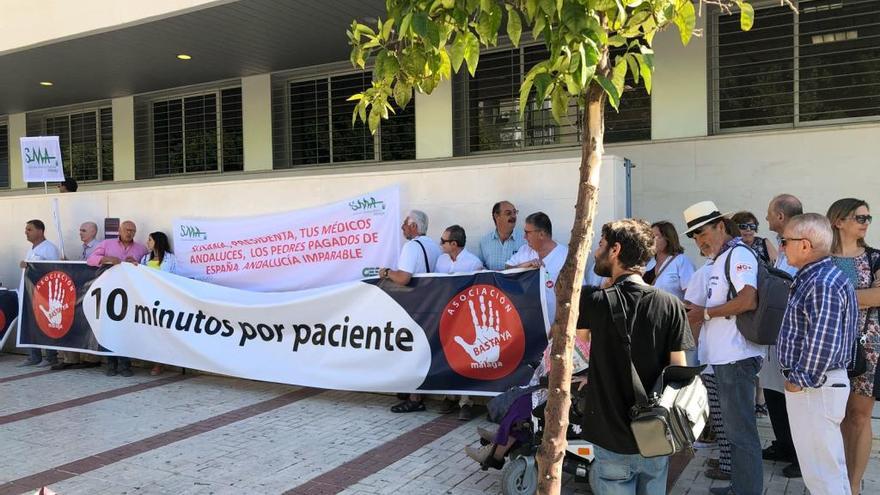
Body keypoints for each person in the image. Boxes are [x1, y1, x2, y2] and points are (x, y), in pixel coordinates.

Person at [577, 219, 692, 495]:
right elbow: (679, 372)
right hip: (656, 435)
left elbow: (580, 344)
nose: (596, 252)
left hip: (611, 433)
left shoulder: (594, 301)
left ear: (615, 250)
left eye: (602, 245)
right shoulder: (671, 305)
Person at [682, 201, 763, 495]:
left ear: (720, 226)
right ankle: (739, 487)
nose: (699, 241)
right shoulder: (721, 258)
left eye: (703, 232)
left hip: (738, 358)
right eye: (693, 235)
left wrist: (704, 313)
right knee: (733, 433)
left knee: (742, 434)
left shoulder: (739, 254)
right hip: (725, 359)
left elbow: (748, 300)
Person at [778, 213, 858, 495]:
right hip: (819, 385)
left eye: (784, 240)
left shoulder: (821, 281)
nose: (781, 246)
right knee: (826, 471)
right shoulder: (819, 276)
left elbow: (822, 338)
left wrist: (800, 378)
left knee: (823, 474)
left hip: (816, 386)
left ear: (804, 244)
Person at [828, 198, 880, 495]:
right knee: (831, 417)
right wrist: (862, 294)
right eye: (860, 217)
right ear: (838, 221)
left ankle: (854, 486)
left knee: (859, 417)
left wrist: (837, 296)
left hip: (867, 346)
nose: (866, 223)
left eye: (868, 218)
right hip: (827, 346)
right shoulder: (821, 257)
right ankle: (831, 481)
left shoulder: (875, 257)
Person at [379, 210, 441, 413]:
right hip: (433, 302)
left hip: (416, 304)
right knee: (423, 350)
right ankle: (411, 390)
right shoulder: (433, 246)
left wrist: (387, 272)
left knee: (413, 350)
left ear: (414, 226)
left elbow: (404, 278)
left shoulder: (411, 246)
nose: (402, 227)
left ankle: (415, 398)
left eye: (405, 223)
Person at [760, 194, 804, 478]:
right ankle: (784, 445)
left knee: (792, 401)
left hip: (793, 336)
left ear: (779, 216)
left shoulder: (801, 244)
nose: (765, 220)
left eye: (768, 214)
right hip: (774, 334)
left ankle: (800, 456)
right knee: (773, 393)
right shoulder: (781, 244)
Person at [684, 245, 732, 481]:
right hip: (723, 354)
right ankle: (728, 459)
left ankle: (728, 464)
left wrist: (687, 347)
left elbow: (691, 312)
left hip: (713, 354)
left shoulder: (706, 272)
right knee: (725, 413)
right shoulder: (721, 268)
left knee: (722, 413)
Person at [87, 220, 149, 377]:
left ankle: (124, 364)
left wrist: (136, 264)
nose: (130, 233)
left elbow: (146, 269)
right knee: (109, 329)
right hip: (109, 293)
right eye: (127, 230)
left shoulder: (141, 248)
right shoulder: (107, 244)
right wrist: (108, 259)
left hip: (130, 295)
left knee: (126, 330)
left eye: (133, 231)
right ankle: (111, 364)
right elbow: (91, 259)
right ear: (120, 230)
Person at [435, 224, 484, 420]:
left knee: (466, 358)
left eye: (443, 241)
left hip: (465, 319)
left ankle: (465, 401)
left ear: (454, 244)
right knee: (447, 355)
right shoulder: (440, 261)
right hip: (445, 316)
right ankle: (449, 396)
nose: (440, 244)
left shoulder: (473, 263)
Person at [53, 221, 103, 370]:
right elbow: (81, 267)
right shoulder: (85, 248)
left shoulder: (98, 248)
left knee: (89, 324)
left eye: (83, 230)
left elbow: (93, 268)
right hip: (79, 291)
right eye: (80, 230)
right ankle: (71, 358)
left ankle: (91, 358)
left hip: (90, 291)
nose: (80, 233)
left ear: (93, 232)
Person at [506, 212, 567, 330]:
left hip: (554, 328)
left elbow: (576, 294)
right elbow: (507, 271)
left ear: (542, 234)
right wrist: (525, 266)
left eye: (527, 233)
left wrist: (559, 325)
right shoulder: (525, 250)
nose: (524, 237)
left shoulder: (564, 256)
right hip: (527, 327)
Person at [17, 220, 61, 367]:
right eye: (25, 229)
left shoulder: (49, 248)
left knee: (47, 324)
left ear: (40, 231)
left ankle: (50, 357)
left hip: (44, 295)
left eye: (29, 229)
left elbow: (54, 270)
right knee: (30, 324)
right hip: (30, 293)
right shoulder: (31, 249)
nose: (26, 232)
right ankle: (33, 356)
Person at [140, 231, 177, 376]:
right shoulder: (144, 258)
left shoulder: (171, 259)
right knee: (151, 332)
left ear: (158, 241)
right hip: (146, 300)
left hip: (164, 300)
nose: (147, 243)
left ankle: (159, 363)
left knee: (162, 332)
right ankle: (153, 360)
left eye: (150, 240)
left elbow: (176, 278)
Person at [644, 221, 694, 300]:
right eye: (650, 237)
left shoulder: (681, 261)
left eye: (656, 236)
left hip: (671, 311)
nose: (651, 240)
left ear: (668, 238)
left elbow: (691, 297)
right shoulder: (647, 262)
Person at [477, 201, 525, 270]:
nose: (513, 216)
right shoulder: (484, 242)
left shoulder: (525, 240)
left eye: (515, 212)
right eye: (508, 213)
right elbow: (480, 269)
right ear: (496, 216)